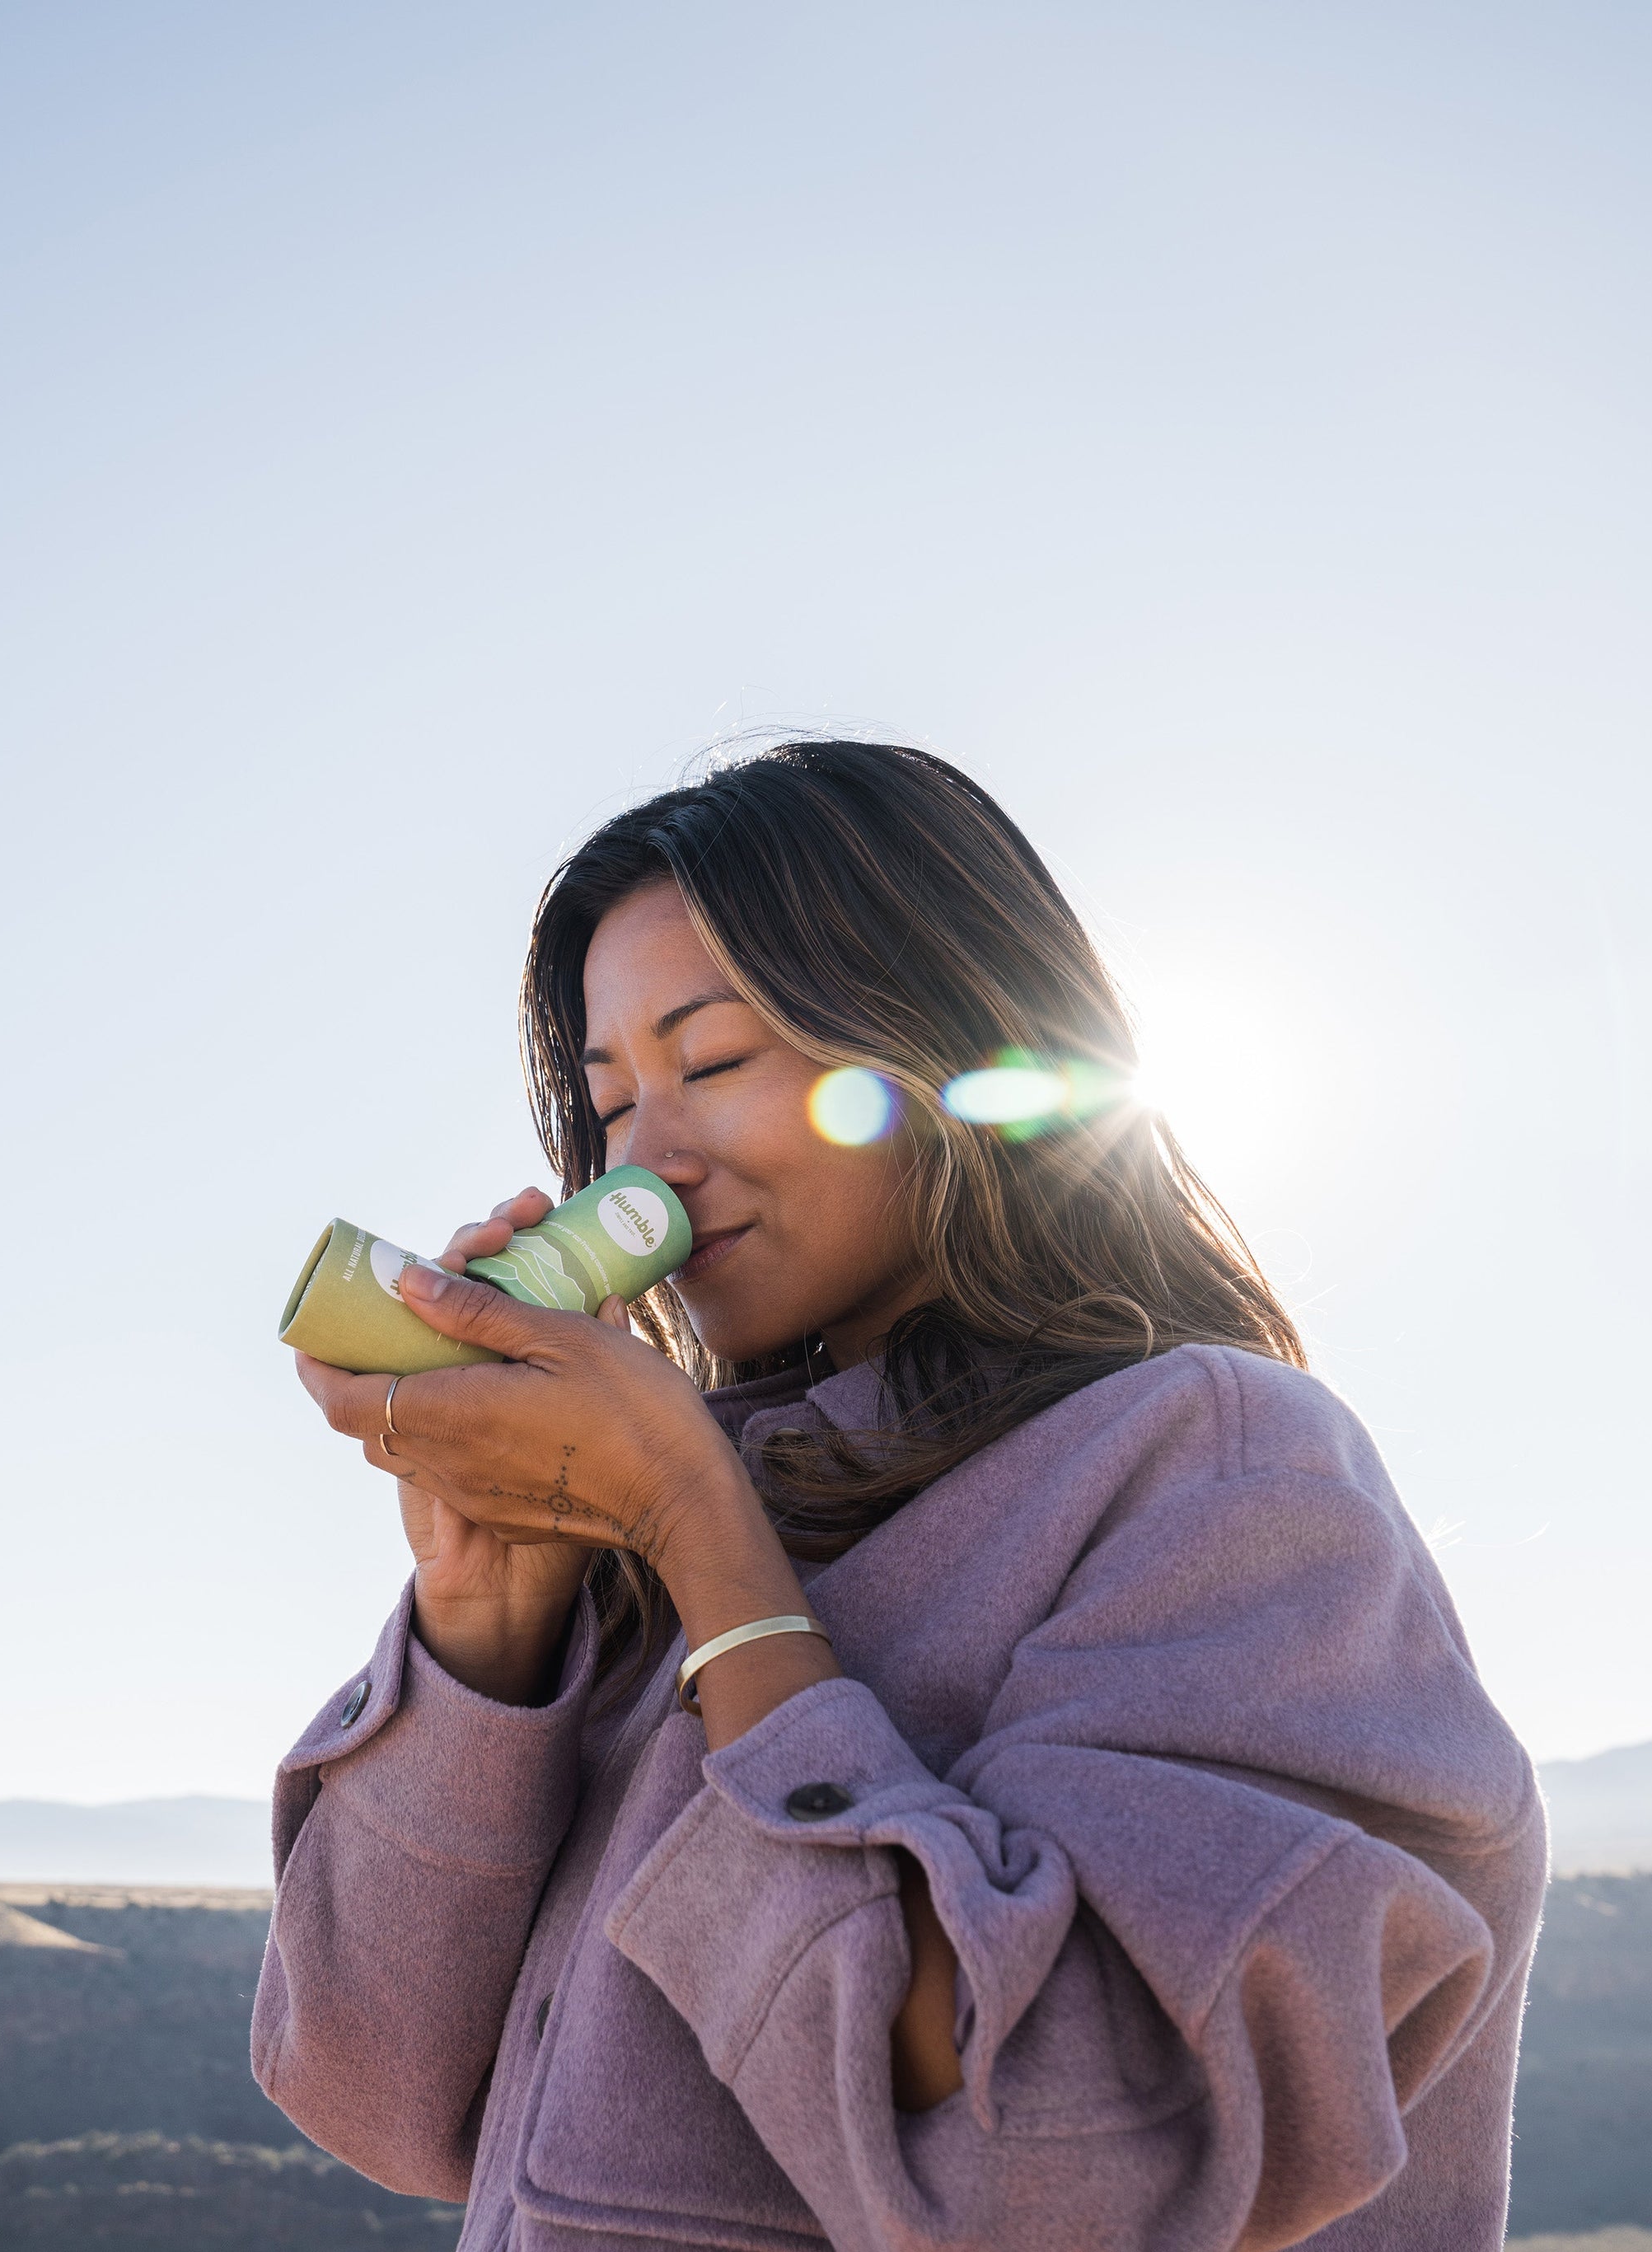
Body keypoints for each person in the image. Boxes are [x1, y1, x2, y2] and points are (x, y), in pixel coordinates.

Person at [257, 742, 1544, 2251]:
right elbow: (376, 2091)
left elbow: (1061, 2168)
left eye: (716, 1060)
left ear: (944, 1048)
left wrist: (705, 1544)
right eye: (608, 1101)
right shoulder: (688, 1496)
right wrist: (491, 1604)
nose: (646, 1162)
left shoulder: (1221, 1471)